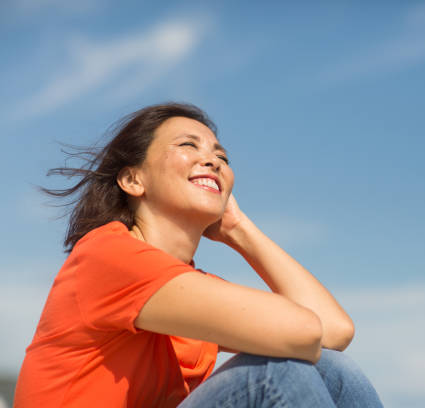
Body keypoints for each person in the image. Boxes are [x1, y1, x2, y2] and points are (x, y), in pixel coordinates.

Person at [14, 103, 383, 407]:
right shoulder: (108, 254)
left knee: (331, 367)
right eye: (188, 146)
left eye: (220, 155)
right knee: (273, 374)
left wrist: (241, 231)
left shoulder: (188, 289)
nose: (213, 161)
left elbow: (333, 332)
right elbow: (303, 330)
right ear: (133, 180)